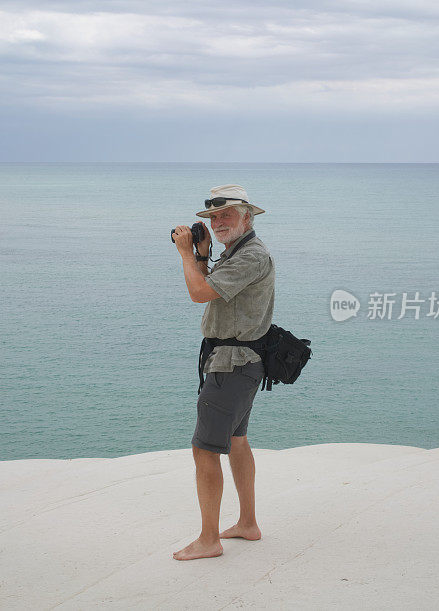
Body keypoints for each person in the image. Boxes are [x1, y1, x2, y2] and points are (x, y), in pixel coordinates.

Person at [171, 184, 275, 561]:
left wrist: (185, 255)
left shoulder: (251, 257)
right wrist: (202, 255)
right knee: (237, 442)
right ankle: (247, 523)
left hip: (231, 365)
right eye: (213, 217)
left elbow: (199, 294)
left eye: (225, 214)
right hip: (241, 363)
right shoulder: (237, 252)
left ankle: (208, 539)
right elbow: (210, 285)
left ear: (247, 216)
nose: (217, 222)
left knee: (204, 449)